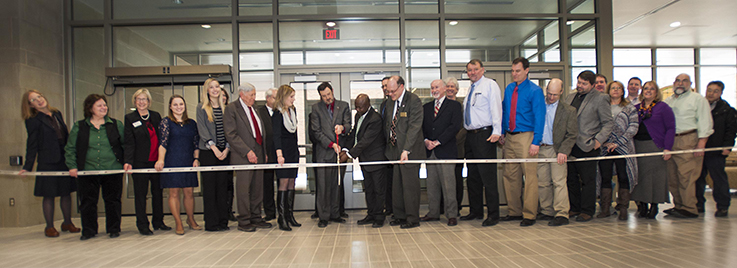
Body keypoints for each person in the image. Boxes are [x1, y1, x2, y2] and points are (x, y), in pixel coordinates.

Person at [20, 90, 79, 238]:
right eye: (33, 100)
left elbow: (65, 136)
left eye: (39, 96)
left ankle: (67, 222)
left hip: (63, 159)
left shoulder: (56, 113)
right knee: (49, 194)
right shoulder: (33, 120)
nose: (39, 100)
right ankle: (50, 226)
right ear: (30, 105)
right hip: (47, 161)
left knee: (66, 192)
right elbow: (32, 144)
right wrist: (28, 166)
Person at [64, 94, 124, 240]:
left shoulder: (116, 124)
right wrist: (72, 166)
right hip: (87, 170)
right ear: (90, 108)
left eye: (105, 105)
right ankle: (89, 230)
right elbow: (70, 148)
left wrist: (127, 162)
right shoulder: (79, 127)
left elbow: (125, 145)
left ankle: (114, 229)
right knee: (88, 202)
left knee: (113, 200)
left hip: (112, 169)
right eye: (99, 105)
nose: (104, 108)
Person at [500, 57, 545, 226]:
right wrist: (503, 131)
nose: (514, 74)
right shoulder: (509, 89)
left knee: (530, 176)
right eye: (512, 71)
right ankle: (514, 211)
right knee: (510, 175)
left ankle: (529, 214)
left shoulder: (535, 91)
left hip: (527, 136)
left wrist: (536, 141)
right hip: (510, 137)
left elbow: (540, 117)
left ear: (526, 70)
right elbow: (505, 111)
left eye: (517, 71)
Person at [564, 70, 614, 222]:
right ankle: (574, 208)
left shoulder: (601, 98)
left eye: (584, 84)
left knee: (588, 180)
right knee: (571, 179)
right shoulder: (570, 97)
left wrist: (598, 140)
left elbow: (608, 123)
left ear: (592, 85)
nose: (580, 86)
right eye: (579, 82)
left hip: (587, 144)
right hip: (570, 144)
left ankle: (587, 210)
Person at [224, 83, 273, 232]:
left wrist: (262, 151)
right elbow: (231, 134)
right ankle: (244, 220)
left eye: (254, 94)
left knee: (258, 188)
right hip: (242, 155)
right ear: (242, 94)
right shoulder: (232, 109)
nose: (254, 97)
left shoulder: (255, 108)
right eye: (251, 95)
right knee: (244, 189)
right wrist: (247, 151)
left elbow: (259, 131)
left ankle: (256, 217)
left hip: (258, 153)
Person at [663, 74, 714, 218]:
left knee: (686, 176)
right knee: (672, 176)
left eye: (684, 81)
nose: (680, 83)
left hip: (688, 139)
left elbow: (705, 121)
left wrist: (701, 143)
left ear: (690, 84)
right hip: (671, 141)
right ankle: (678, 205)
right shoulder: (669, 100)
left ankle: (689, 208)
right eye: (678, 81)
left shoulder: (697, 99)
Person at [460, 59, 503, 227]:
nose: (472, 72)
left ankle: (493, 214)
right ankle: (475, 211)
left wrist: (497, 131)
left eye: (475, 69)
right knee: (473, 177)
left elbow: (496, 108)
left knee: (488, 178)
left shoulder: (490, 85)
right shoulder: (471, 89)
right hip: (470, 136)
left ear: (482, 70)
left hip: (485, 135)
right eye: (470, 70)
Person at [123, 89, 170, 235]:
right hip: (140, 162)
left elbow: (163, 137)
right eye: (139, 99)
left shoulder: (156, 116)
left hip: (156, 162)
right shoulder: (130, 118)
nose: (141, 102)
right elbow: (129, 142)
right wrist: (128, 161)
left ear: (149, 102)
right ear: (135, 101)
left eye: (144, 99)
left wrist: (161, 159)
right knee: (141, 195)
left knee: (158, 192)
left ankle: (158, 221)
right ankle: (143, 224)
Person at [382, 75, 425, 229]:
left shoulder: (413, 100)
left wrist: (406, 149)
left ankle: (412, 219)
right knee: (398, 186)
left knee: (410, 187)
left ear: (401, 86)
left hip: (410, 152)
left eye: (393, 91)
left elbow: (414, 127)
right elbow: (388, 125)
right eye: (388, 91)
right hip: (394, 151)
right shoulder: (389, 102)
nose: (390, 94)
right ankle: (400, 216)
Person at [155, 95, 201, 235]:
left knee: (189, 192)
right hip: (172, 161)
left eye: (181, 104)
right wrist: (160, 160)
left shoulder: (191, 123)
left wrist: (196, 159)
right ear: (170, 106)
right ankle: (178, 222)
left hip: (188, 161)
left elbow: (196, 144)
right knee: (174, 193)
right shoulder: (166, 122)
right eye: (175, 104)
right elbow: (162, 143)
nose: (178, 107)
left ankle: (190, 219)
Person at [341, 94, 389, 228]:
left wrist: (349, 154)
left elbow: (365, 141)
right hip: (365, 160)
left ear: (368, 105)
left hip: (376, 159)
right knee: (369, 189)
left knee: (379, 190)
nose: (357, 109)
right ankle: (371, 214)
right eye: (356, 106)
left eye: (360, 107)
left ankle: (379, 217)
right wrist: (345, 148)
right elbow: (355, 135)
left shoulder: (375, 119)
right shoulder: (358, 116)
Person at [630, 81, 675, 219]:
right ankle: (642, 205)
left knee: (656, 177)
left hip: (655, 146)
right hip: (638, 146)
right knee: (640, 177)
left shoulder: (663, 108)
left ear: (656, 92)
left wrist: (667, 148)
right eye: (646, 88)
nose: (648, 91)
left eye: (652, 89)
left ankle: (654, 205)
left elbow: (670, 128)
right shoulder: (636, 108)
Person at [536, 79, 577, 226]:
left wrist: (564, 151)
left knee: (559, 182)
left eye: (554, 94)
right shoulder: (539, 106)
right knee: (543, 182)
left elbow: (572, 134)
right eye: (549, 93)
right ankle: (547, 210)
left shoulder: (569, 111)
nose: (551, 97)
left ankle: (561, 213)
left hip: (557, 150)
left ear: (561, 92)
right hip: (540, 148)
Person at [421, 79, 462, 226]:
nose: (434, 90)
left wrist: (438, 141)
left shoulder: (454, 106)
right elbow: (423, 128)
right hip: (430, 152)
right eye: (432, 88)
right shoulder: (426, 107)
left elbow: (455, 126)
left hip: (446, 151)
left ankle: (451, 215)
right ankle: (433, 213)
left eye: (437, 87)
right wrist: (426, 140)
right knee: (431, 186)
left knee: (449, 185)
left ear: (444, 88)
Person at [310, 82, 352, 227]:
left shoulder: (344, 105)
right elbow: (316, 131)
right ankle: (323, 216)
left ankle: (335, 214)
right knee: (323, 186)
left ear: (332, 91)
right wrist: (331, 144)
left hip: (339, 154)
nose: (327, 98)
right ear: (320, 96)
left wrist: (342, 127)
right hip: (324, 152)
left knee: (336, 185)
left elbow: (349, 125)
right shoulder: (315, 109)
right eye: (324, 96)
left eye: (328, 94)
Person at [597, 81, 639, 220]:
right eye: (613, 88)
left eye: (618, 88)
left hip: (624, 148)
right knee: (605, 177)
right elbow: (597, 125)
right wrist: (604, 142)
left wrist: (618, 142)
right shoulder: (603, 107)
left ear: (622, 91)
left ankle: (623, 208)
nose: (615, 90)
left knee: (623, 176)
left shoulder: (629, 108)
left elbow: (633, 127)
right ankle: (605, 208)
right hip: (605, 148)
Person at [196, 78, 232, 232]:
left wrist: (227, 148)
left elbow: (230, 130)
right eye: (211, 87)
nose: (215, 89)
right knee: (210, 189)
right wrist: (214, 147)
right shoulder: (202, 108)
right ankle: (211, 223)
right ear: (207, 90)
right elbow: (202, 129)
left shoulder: (226, 109)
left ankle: (223, 221)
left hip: (225, 153)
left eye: (217, 86)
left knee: (223, 188)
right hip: (209, 153)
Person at [696, 81, 735, 217]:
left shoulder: (727, 110)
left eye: (715, 91)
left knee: (718, 179)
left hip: (716, 150)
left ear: (721, 93)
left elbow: (731, 131)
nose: (711, 93)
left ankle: (723, 206)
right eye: (709, 90)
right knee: (698, 178)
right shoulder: (699, 107)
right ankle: (698, 204)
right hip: (699, 149)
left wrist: (727, 147)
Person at [270, 85, 301, 231]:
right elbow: (276, 136)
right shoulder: (277, 113)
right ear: (284, 97)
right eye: (291, 97)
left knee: (292, 183)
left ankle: (290, 215)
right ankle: (281, 217)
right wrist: (279, 154)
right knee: (283, 183)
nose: (293, 99)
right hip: (283, 153)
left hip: (293, 151)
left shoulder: (292, 111)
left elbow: (294, 132)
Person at [445, 76, 466, 214]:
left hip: (457, 148)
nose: (450, 89)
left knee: (456, 178)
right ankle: (444, 206)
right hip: (442, 149)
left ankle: (456, 206)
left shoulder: (461, 106)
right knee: (443, 179)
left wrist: (451, 140)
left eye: (453, 87)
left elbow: (464, 127)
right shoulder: (440, 105)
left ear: (457, 90)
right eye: (448, 86)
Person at [258, 88, 278, 221]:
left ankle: (283, 210)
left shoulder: (281, 111)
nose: (277, 101)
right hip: (266, 153)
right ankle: (270, 212)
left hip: (280, 152)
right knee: (267, 184)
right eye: (275, 98)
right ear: (268, 98)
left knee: (284, 182)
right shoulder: (259, 112)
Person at [221, 88, 237, 222]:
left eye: (225, 96)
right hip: (215, 151)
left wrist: (227, 149)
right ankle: (221, 212)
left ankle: (229, 210)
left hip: (229, 152)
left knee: (229, 184)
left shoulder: (230, 110)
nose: (223, 98)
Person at [379, 76, 393, 216]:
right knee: (387, 181)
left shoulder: (397, 103)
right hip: (385, 149)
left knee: (396, 182)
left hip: (396, 149)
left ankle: (396, 208)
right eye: (383, 87)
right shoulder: (383, 105)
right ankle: (389, 208)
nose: (385, 89)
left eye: (386, 86)